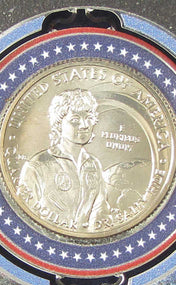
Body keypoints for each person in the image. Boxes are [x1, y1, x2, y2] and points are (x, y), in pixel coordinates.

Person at [17, 89, 108, 233]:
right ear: (59, 124)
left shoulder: (94, 164)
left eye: (89, 118)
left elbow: (100, 210)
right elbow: (23, 217)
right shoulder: (37, 165)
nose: (84, 125)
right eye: (75, 120)